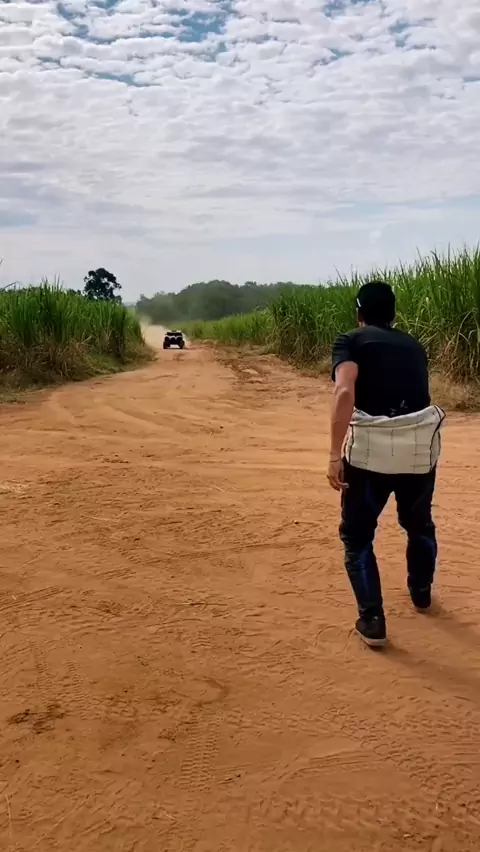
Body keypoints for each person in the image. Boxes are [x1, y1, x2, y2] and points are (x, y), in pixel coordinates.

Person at [327, 281, 445, 647]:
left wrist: (334, 455)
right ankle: (421, 592)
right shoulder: (413, 344)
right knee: (419, 524)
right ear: (392, 313)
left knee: (357, 536)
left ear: (359, 312)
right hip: (418, 450)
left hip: (370, 454)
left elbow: (345, 391)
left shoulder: (350, 341)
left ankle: (372, 619)